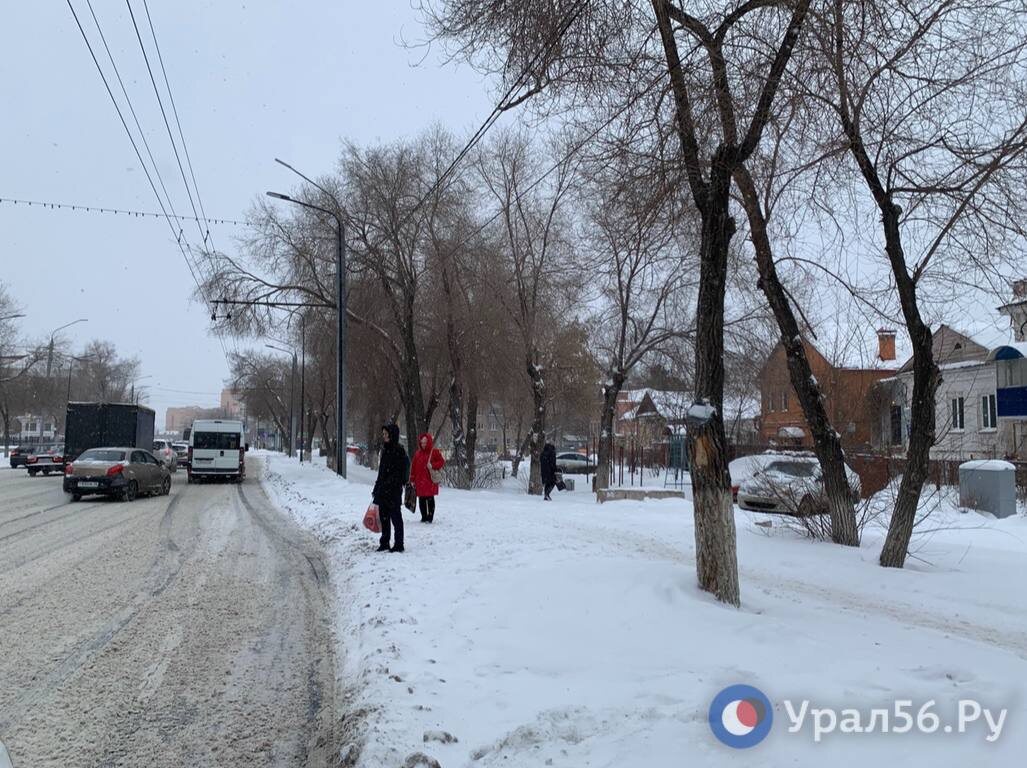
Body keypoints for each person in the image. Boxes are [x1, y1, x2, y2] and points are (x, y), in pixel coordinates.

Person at [373, 423, 408, 552]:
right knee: (384, 517)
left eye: (386, 434)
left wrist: (389, 484)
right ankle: (385, 542)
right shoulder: (385, 449)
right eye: (383, 434)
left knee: (396, 517)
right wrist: (377, 488)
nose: (384, 437)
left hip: (393, 491)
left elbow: (399, 473)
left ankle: (399, 544)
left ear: (392, 435)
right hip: (383, 491)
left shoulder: (399, 451)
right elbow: (381, 472)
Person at [409, 432, 446, 523]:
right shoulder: (418, 454)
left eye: (425, 442)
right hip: (420, 481)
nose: (423, 444)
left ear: (429, 442)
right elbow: (413, 467)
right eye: (422, 443)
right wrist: (412, 479)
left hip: (430, 481)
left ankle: (430, 517)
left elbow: (441, 462)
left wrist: (432, 465)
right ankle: (424, 517)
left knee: (430, 498)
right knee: (421, 499)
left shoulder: (434, 452)